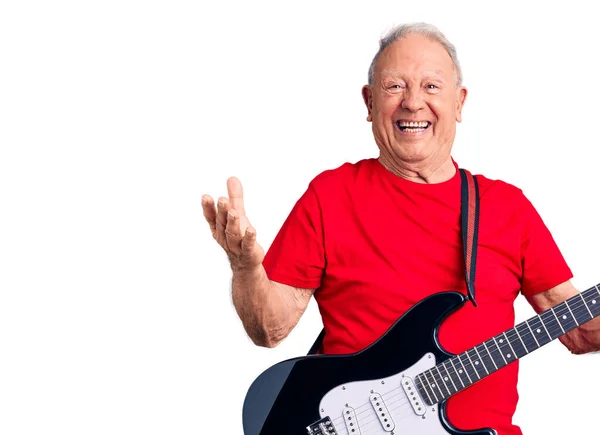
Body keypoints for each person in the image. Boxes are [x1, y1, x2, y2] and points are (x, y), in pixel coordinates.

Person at [201, 22, 600, 435]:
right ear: (369, 102)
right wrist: (245, 268)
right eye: (395, 87)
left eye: (431, 87)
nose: (413, 103)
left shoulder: (508, 208)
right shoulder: (331, 196)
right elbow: (269, 328)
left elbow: (580, 332)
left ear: (459, 103)